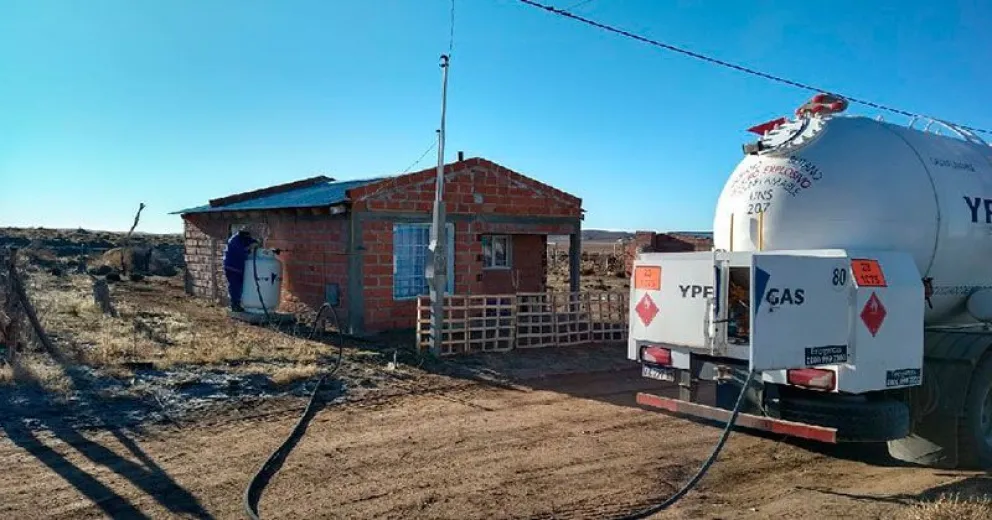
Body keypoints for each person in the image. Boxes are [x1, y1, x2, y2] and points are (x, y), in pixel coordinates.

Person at [223, 227, 259, 312]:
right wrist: (249, 249)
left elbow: (251, 241)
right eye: (247, 235)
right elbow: (242, 253)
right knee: (235, 287)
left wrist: (256, 243)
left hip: (239, 267)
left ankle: (237, 304)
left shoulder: (243, 238)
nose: (248, 237)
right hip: (232, 267)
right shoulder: (234, 241)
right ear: (241, 234)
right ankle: (234, 305)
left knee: (239, 288)